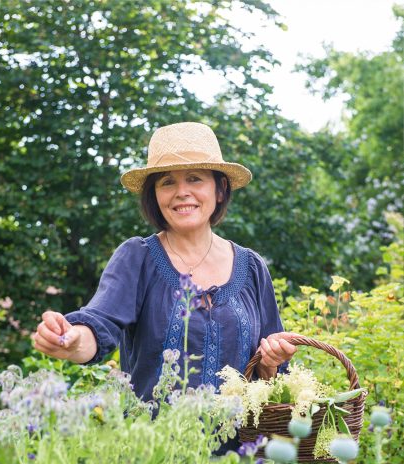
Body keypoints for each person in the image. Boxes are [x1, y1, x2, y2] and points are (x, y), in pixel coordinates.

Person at [32, 122, 297, 443]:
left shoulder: (251, 267)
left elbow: (275, 372)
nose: (181, 191)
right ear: (154, 195)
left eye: (195, 179)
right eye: (167, 182)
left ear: (221, 188)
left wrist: (273, 361)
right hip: (154, 461)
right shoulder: (138, 258)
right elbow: (99, 323)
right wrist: (71, 339)